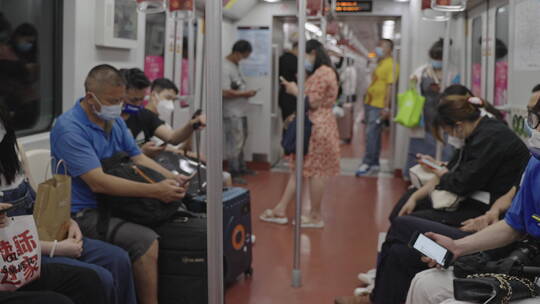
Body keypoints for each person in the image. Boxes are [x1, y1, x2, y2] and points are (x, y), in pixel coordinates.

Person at [336, 86, 530, 304]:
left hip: (493, 238)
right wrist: (492, 211)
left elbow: (464, 182)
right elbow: (510, 192)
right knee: (399, 251)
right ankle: (379, 293)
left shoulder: (492, 138)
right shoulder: (489, 138)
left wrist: (486, 212)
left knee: (401, 225)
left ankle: (390, 283)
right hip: (488, 219)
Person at [50, 64, 189, 304]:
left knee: (175, 218)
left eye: (121, 100)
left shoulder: (114, 123)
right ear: (91, 97)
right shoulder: (69, 129)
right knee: (145, 242)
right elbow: (98, 183)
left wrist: (170, 177)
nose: (117, 107)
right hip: (83, 213)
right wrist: (156, 190)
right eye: (112, 101)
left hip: (116, 203)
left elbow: (139, 157)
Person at [405, 87, 540, 304]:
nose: (535, 128)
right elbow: (514, 225)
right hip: (528, 264)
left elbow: (462, 181)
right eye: (533, 117)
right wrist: (458, 247)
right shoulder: (535, 164)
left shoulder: (491, 137)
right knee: (423, 283)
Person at [0, 102, 136, 304]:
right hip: (20, 251)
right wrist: (55, 248)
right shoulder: (70, 127)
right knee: (99, 278)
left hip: (42, 234)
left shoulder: (12, 149)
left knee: (118, 258)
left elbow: (37, 201)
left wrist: (66, 221)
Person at [259, 39, 340, 228]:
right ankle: (281, 209)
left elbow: (312, 102)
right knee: (301, 169)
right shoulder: (325, 72)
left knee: (315, 171)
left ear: (312, 53)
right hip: (317, 123)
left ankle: (315, 216)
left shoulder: (322, 73)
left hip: (316, 126)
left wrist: (295, 91)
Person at [405, 39, 460, 178]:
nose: (436, 61)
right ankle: (416, 177)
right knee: (421, 148)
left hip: (444, 116)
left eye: (439, 58)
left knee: (446, 148)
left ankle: (443, 177)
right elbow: (412, 88)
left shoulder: (453, 72)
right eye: (434, 58)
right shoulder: (422, 72)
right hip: (425, 116)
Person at [119, 69, 205, 158]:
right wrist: (141, 152)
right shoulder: (110, 120)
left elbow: (172, 137)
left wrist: (192, 124)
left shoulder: (144, 115)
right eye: (134, 100)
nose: (138, 104)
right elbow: (109, 158)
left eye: (141, 99)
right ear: (119, 94)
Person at [356, 39, 399, 176]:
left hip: (378, 105)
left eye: (383, 46)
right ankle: (374, 163)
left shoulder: (392, 65)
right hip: (370, 101)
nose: (379, 48)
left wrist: (387, 107)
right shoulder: (381, 63)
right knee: (373, 134)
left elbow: (390, 87)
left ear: (390, 49)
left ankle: (367, 163)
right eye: (379, 45)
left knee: (371, 133)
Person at [222, 40, 258, 185]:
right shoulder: (225, 67)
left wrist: (246, 93)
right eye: (243, 56)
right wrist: (244, 94)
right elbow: (224, 92)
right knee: (234, 143)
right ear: (237, 53)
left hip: (241, 111)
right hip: (231, 112)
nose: (243, 59)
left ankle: (241, 167)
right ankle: (233, 172)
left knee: (242, 140)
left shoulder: (235, 65)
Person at [278, 42, 298, 121]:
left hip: (282, 95)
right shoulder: (295, 60)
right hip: (291, 96)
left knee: (286, 122)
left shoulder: (282, 58)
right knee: (291, 124)